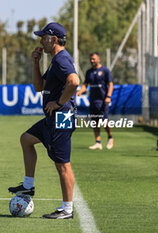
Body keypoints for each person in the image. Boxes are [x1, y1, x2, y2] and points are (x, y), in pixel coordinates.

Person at [8, 22, 80, 219]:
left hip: (62, 116)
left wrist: (58, 102)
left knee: (62, 164)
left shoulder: (62, 59)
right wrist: (35, 63)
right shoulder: (55, 60)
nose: (41, 41)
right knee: (26, 139)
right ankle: (28, 186)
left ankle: (67, 210)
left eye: (43, 37)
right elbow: (39, 87)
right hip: (53, 117)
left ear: (53, 40)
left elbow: (74, 81)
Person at [76, 52, 114, 150]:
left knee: (104, 121)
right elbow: (85, 85)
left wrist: (108, 96)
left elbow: (110, 84)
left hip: (103, 101)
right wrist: (80, 91)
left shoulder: (105, 70)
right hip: (93, 101)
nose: (92, 61)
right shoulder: (89, 72)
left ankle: (110, 137)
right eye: (91, 59)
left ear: (99, 59)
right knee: (95, 122)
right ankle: (98, 142)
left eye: (94, 59)